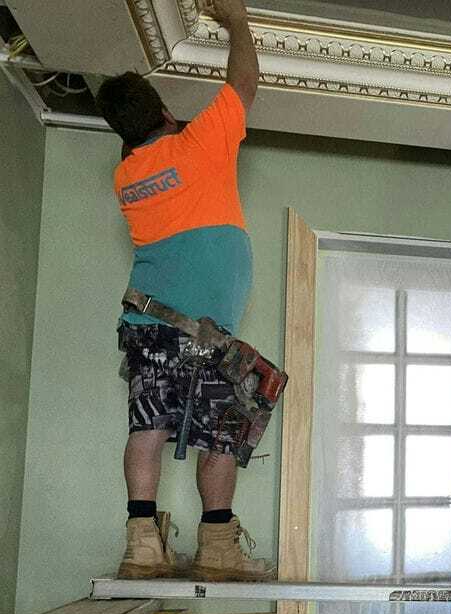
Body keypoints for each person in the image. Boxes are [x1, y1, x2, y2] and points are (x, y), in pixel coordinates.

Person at [96, 0, 273, 581]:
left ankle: (144, 540)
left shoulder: (127, 177)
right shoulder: (199, 144)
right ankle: (215, 545)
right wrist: (237, 21)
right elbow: (243, 80)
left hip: (153, 324)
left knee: (148, 427)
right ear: (166, 111)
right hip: (196, 331)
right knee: (222, 430)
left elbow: (138, 145)